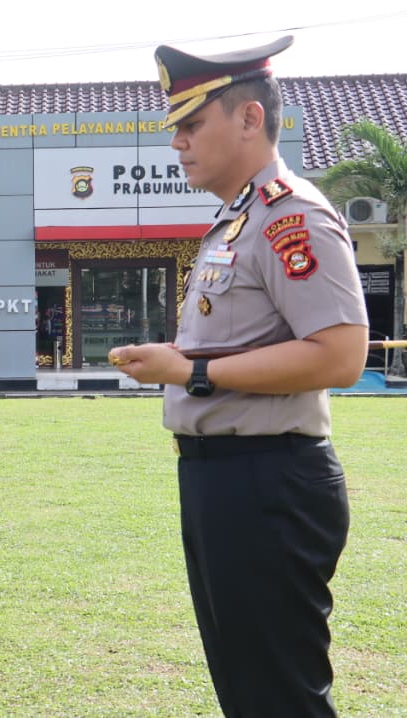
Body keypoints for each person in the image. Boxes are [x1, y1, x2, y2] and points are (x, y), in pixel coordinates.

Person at [109, 36, 368, 717]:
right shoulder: (237, 221)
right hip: (225, 479)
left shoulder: (290, 215)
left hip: (268, 480)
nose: (178, 142)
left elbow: (341, 355)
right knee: (250, 694)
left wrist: (189, 369)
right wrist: (179, 359)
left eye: (193, 124)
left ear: (251, 118)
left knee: (279, 698)